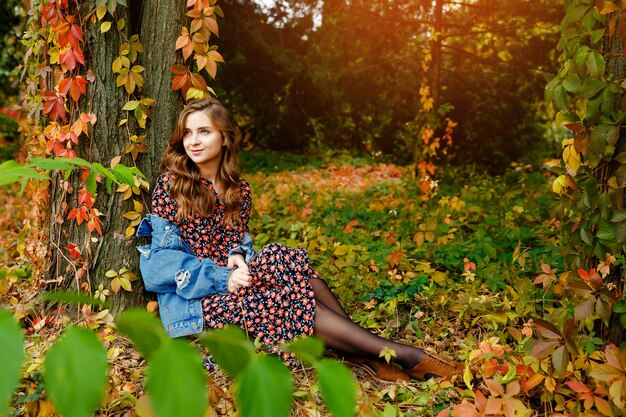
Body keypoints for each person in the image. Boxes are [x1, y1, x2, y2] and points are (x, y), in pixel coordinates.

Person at [137, 98, 463, 383]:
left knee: (285, 256)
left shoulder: (239, 190)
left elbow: (238, 243)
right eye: (188, 133)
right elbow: (158, 268)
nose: (193, 141)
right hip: (196, 303)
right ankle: (399, 354)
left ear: (224, 138)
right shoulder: (172, 186)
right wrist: (224, 276)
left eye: (204, 131)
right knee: (285, 298)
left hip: (234, 281)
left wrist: (237, 255)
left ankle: (361, 354)